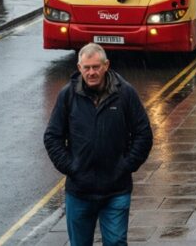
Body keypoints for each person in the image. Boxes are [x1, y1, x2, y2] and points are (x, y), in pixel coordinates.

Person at [43, 43, 153, 246]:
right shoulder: (67, 96)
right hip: (79, 192)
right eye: (87, 67)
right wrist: (71, 167)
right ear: (79, 68)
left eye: (96, 67)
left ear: (106, 65)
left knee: (116, 242)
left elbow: (143, 134)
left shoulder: (125, 94)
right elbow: (52, 137)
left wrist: (125, 166)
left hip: (116, 191)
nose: (91, 72)